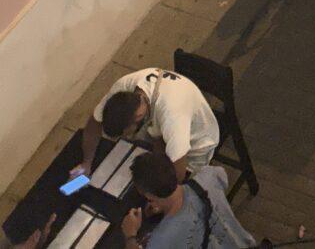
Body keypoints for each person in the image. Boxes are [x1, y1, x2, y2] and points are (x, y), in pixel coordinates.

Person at [80, 68, 219, 184]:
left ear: (138, 117)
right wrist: (86, 163)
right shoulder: (123, 88)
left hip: (197, 144)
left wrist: (158, 200)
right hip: (161, 132)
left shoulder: (172, 116)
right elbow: (95, 123)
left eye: (126, 134)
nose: (126, 138)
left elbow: (179, 172)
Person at [123, 152, 254, 249]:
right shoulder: (208, 177)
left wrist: (130, 235)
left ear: (148, 196)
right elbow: (222, 177)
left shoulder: (161, 239)